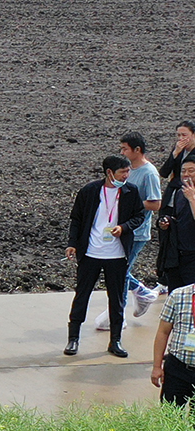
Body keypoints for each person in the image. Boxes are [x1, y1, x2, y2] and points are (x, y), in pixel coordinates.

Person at [65, 155, 144, 359]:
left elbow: (139, 216)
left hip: (117, 255)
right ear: (109, 173)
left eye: (128, 172)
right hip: (91, 253)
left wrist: (123, 227)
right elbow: (76, 218)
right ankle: (73, 338)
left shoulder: (130, 191)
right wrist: (73, 243)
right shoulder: (90, 191)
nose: (126, 176)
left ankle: (115, 340)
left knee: (117, 299)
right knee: (82, 295)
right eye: (122, 172)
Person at [103, 132, 163, 327]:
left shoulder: (149, 173)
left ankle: (118, 317)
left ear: (137, 150)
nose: (122, 152)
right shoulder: (126, 170)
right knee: (115, 269)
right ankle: (141, 293)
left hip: (136, 231)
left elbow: (155, 204)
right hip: (119, 228)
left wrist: (131, 204)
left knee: (120, 272)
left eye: (125, 149)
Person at [155, 155, 195, 296]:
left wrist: (192, 199)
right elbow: (178, 219)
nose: (186, 174)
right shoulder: (179, 193)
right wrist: (166, 222)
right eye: (183, 171)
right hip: (178, 254)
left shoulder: (188, 195)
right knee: (176, 296)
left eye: (191, 171)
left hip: (193, 255)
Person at [152, 277, 195, 407]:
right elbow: (163, 333)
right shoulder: (178, 295)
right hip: (178, 368)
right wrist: (156, 367)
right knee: (170, 417)